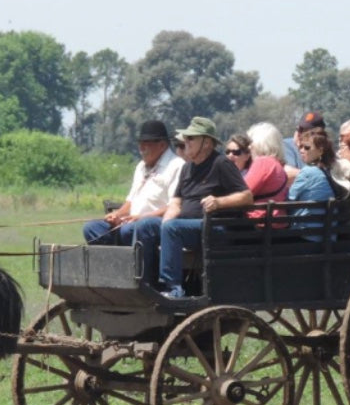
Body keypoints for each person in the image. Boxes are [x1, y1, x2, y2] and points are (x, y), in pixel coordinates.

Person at [133, 116, 252, 299]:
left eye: (190, 139)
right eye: (185, 138)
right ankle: (147, 284)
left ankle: (173, 288)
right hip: (185, 226)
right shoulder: (187, 168)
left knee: (172, 229)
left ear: (206, 143)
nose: (185, 142)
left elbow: (246, 197)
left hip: (214, 228)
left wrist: (219, 202)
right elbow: (176, 202)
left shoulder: (221, 164)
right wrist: (166, 221)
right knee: (146, 225)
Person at [82, 120, 184, 245]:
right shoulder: (141, 166)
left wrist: (142, 217)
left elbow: (173, 207)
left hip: (153, 226)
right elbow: (131, 201)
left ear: (162, 145)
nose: (141, 148)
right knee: (92, 228)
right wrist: (117, 215)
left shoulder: (177, 166)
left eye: (146, 143)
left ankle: (129, 261)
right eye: (140, 143)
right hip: (130, 223)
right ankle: (114, 261)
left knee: (129, 230)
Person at [287, 129, 342, 241]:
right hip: (328, 236)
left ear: (320, 151)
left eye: (307, 147)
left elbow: (288, 199)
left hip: (306, 236)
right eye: (300, 147)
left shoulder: (308, 172)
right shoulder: (331, 170)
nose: (302, 150)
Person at [239, 122, 290, 218]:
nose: (249, 147)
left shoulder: (263, 162)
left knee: (202, 225)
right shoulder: (276, 165)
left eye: (250, 143)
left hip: (258, 223)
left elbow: (242, 192)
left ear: (260, 143)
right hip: (275, 223)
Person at [282, 110, 326, 176]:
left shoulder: (324, 150)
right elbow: (287, 173)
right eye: (299, 129)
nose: (300, 133)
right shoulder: (285, 145)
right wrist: (316, 175)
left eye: (306, 131)